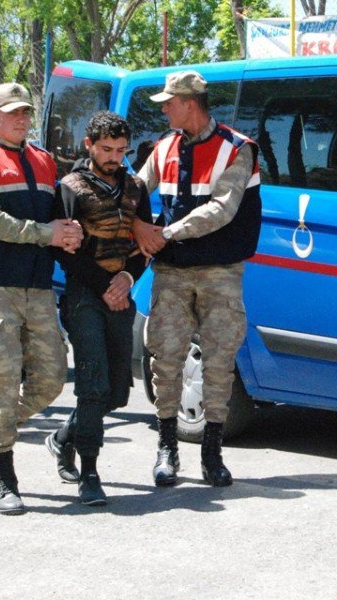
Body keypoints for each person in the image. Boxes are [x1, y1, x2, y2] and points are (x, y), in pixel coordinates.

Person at [0, 82, 83, 515]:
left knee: (51, 380)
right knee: (2, 379)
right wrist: (46, 234)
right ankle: (4, 476)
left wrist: (67, 232)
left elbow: (54, 218)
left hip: (38, 284)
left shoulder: (45, 161)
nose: (21, 119)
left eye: (26, 112)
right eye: (11, 113)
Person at [133, 70, 261, 488]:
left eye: (168, 102)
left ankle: (212, 454)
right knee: (165, 359)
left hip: (219, 273)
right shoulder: (163, 147)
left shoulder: (237, 149)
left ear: (190, 102)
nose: (164, 109)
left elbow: (222, 210)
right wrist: (134, 224)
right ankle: (167, 449)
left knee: (219, 362)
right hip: (170, 272)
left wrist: (163, 233)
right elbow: (135, 190)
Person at [47, 110, 152, 506]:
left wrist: (127, 278)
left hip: (121, 292)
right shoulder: (70, 188)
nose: (114, 157)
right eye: (106, 149)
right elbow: (64, 250)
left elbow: (145, 242)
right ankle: (89, 472)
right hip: (84, 295)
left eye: (121, 150)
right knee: (93, 383)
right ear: (89, 145)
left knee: (118, 392)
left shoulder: (137, 187)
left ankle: (62, 438)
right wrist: (105, 284)